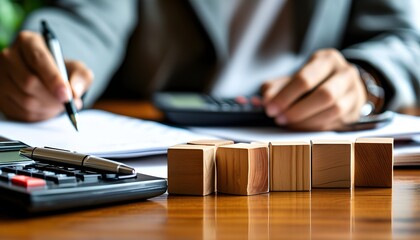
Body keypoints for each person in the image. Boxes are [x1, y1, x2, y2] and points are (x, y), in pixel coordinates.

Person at [0, 0, 419, 131]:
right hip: (163, 147)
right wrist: (48, 71)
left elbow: (407, 39)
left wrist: (366, 80)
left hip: (314, 142)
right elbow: (86, 18)